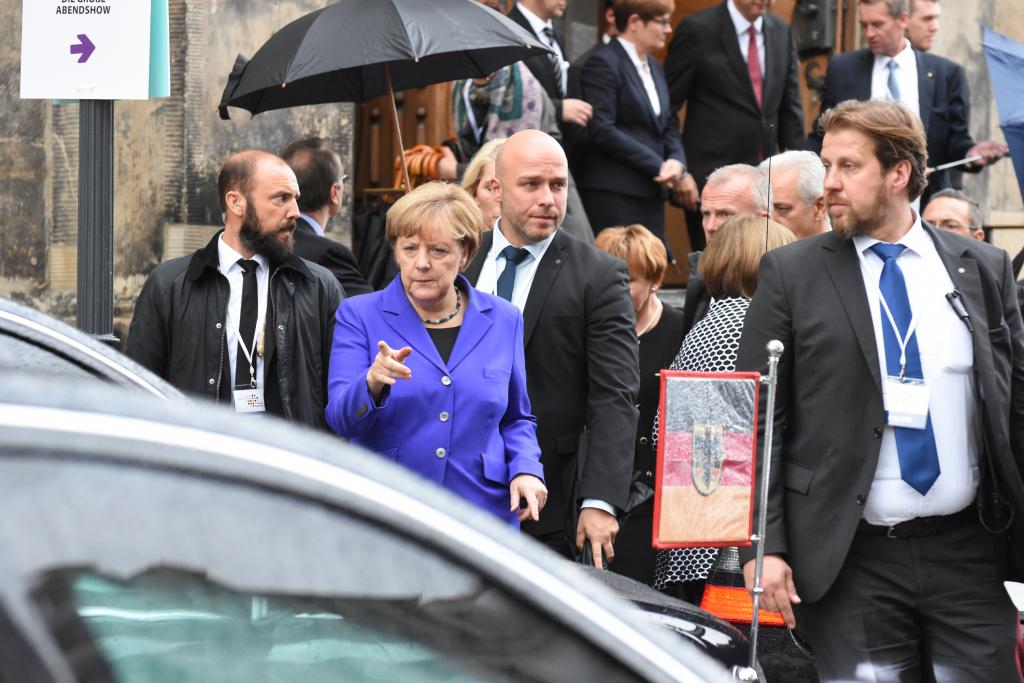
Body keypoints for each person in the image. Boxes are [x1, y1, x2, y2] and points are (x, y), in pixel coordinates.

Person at [737, 99, 1024, 681]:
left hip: (969, 552)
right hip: (850, 556)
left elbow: (1016, 405)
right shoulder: (792, 273)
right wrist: (761, 547)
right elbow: (757, 416)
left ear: (899, 174)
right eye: (827, 165)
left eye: (848, 167)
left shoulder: (981, 267)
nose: (830, 185)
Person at [324, 181, 547, 526]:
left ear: (466, 254)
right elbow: (339, 418)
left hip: (482, 514)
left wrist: (527, 469)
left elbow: (516, 418)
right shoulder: (360, 315)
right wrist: (371, 383)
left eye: (439, 251)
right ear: (396, 251)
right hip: (390, 512)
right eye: (410, 249)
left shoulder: (504, 319)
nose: (422, 263)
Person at [464, 129, 639, 568]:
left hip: (550, 499)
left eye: (557, 185)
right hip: (459, 486)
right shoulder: (461, 260)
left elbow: (614, 395)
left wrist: (600, 500)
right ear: (496, 190)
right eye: (531, 185)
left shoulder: (598, 275)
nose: (548, 198)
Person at [126, 150, 343, 428]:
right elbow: (138, 392)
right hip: (203, 461)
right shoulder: (169, 285)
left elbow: (340, 397)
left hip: (288, 462)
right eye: (281, 198)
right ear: (236, 202)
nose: (295, 212)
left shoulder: (319, 287)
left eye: (295, 199)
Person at [653, 215, 794, 604]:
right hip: (725, 544)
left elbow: (661, 425)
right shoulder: (750, 323)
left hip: (691, 533)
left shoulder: (708, 322)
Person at [813, 0, 1008, 201]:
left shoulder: (946, 74)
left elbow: (956, 143)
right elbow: (822, 135)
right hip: (857, 198)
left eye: (878, 24)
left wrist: (973, 153)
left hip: (923, 200)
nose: (869, 33)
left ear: (903, 19)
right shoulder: (843, 69)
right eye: (864, 25)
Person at [664, 0, 804, 252]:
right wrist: (680, 166)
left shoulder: (781, 31)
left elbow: (789, 108)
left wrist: (802, 172)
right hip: (711, 180)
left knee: (760, 262)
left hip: (763, 178)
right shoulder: (698, 30)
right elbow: (667, 108)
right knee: (715, 265)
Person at [593, 224, 686, 584]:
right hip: (597, 487)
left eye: (628, 280)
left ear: (656, 280)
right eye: (609, 279)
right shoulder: (590, 331)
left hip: (652, 499)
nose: (616, 291)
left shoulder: (680, 330)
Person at [577, 0, 690, 248]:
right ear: (635, 22)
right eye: (661, 21)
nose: (668, 29)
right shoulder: (603, 62)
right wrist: (659, 165)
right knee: (621, 272)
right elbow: (603, 130)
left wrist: (677, 162)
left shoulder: (655, 67)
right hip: (614, 194)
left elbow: (667, 123)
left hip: (650, 192)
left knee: (651, 269)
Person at [681, 164, 770, 342]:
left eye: (725, 214)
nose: (711, 226)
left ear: (762, 221)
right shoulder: (700, 279)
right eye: (706, 214)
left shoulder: (780, 284)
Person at [280, 138, 372, 297]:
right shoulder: (329, 254)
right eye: (344, 179)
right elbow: (370, 311)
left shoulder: (261, 238)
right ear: (334, 192)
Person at [507, 0, 594, 130]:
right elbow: (505, 93)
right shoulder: (508, 32)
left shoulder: (556, 34)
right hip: (525, 139)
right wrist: (558, 109)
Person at [758, 150, 831, 239]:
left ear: (820, 206)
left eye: (782, 209)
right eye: (763, 209)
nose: (768, 219)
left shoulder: (848, 250)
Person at [460, 138, 506, 229]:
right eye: (491, 188)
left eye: (509, 188)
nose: (500, 198)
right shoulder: (457, 239)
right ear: (474, 192)